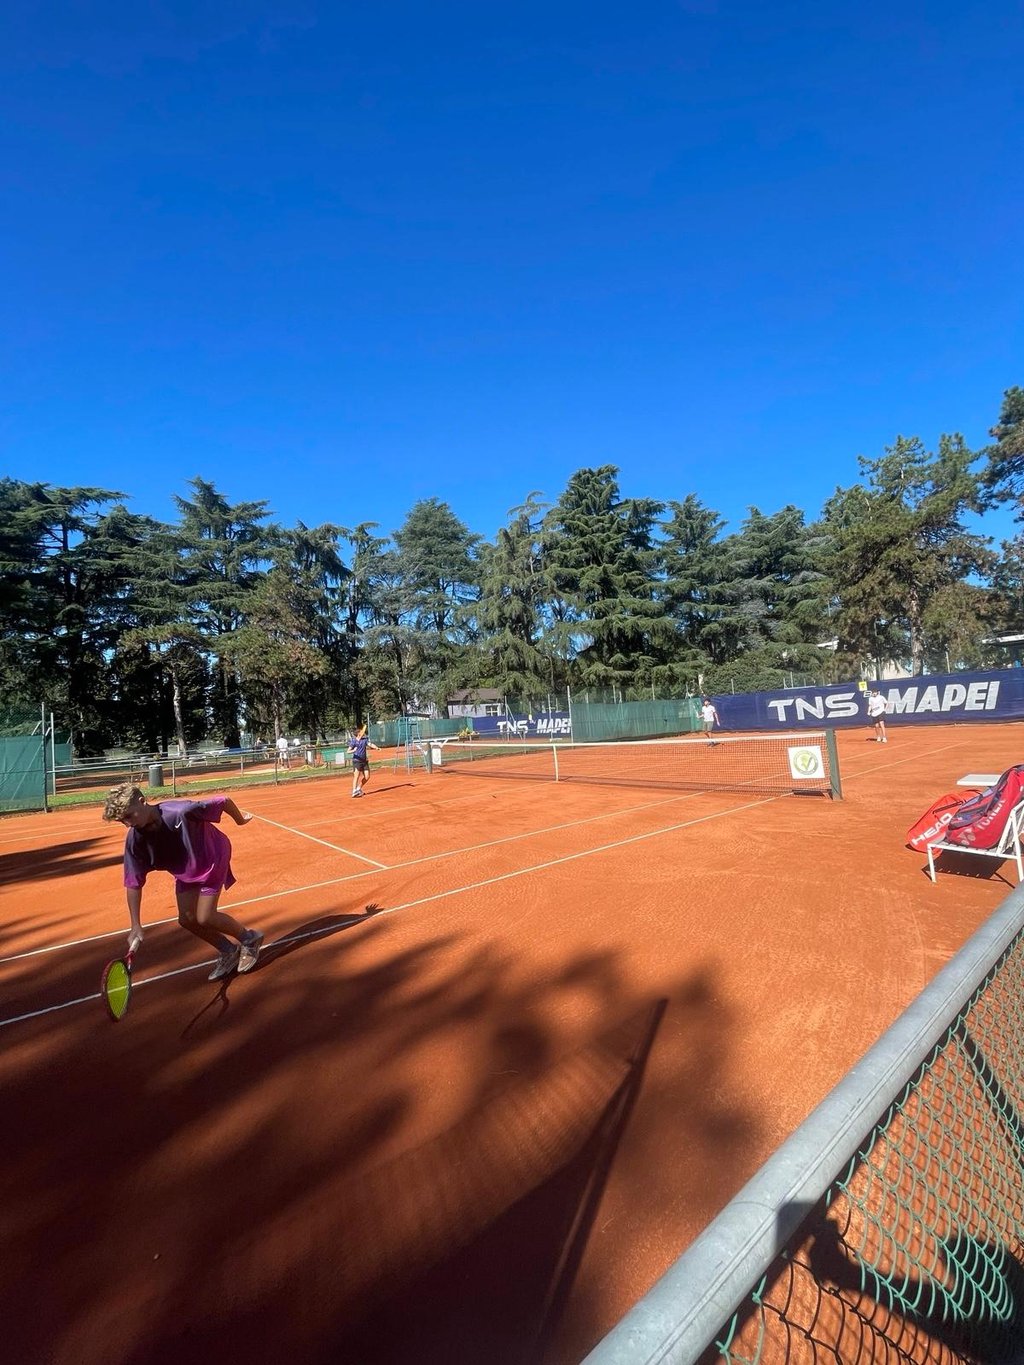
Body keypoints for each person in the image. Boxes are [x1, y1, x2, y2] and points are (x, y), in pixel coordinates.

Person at [102, 784, 264, 981]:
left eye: (129, 816)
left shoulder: (181, 812)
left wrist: (240, 821)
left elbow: (224, 801)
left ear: (142, 802)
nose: (127, 824)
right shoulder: (135, 840)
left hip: (213, 857)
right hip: (186, 870)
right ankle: (228, 950)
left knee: (205, 917)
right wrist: (135, 924)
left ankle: (250, 938)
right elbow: (133, 882)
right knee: (187, 920)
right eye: (122, 821)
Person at [348, 729, 381, 797]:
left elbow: (370, 744)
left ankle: (358, 788)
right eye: (361, 732)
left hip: (364, 761)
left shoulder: (364, 740)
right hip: (357, 761)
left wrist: (376, 748)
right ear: (358, 734)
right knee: (356, 776)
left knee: (367, 776)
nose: (363, 733)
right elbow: (348, 751)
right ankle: (354, 791)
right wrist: (353, 750)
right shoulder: (354, 741)